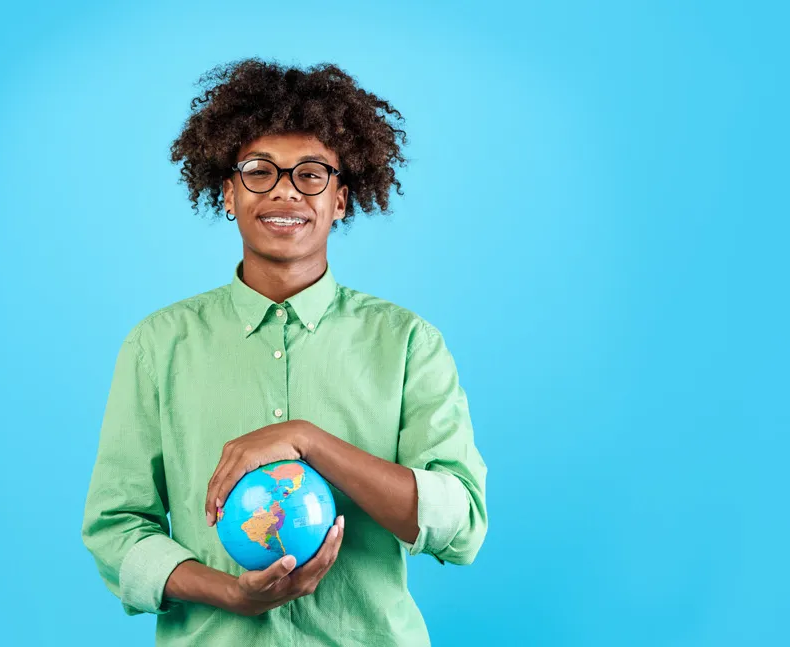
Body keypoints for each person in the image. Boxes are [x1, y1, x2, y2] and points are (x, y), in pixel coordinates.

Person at [81, 58, 488, 646]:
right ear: (228, 193)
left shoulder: (407, 343)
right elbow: (116, 531)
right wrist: (230, 593)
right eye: (259, 171)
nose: (285, 190)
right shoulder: (157, 346)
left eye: (311, 174)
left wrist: (308, 440)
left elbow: (462, 525)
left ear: (340, 199)